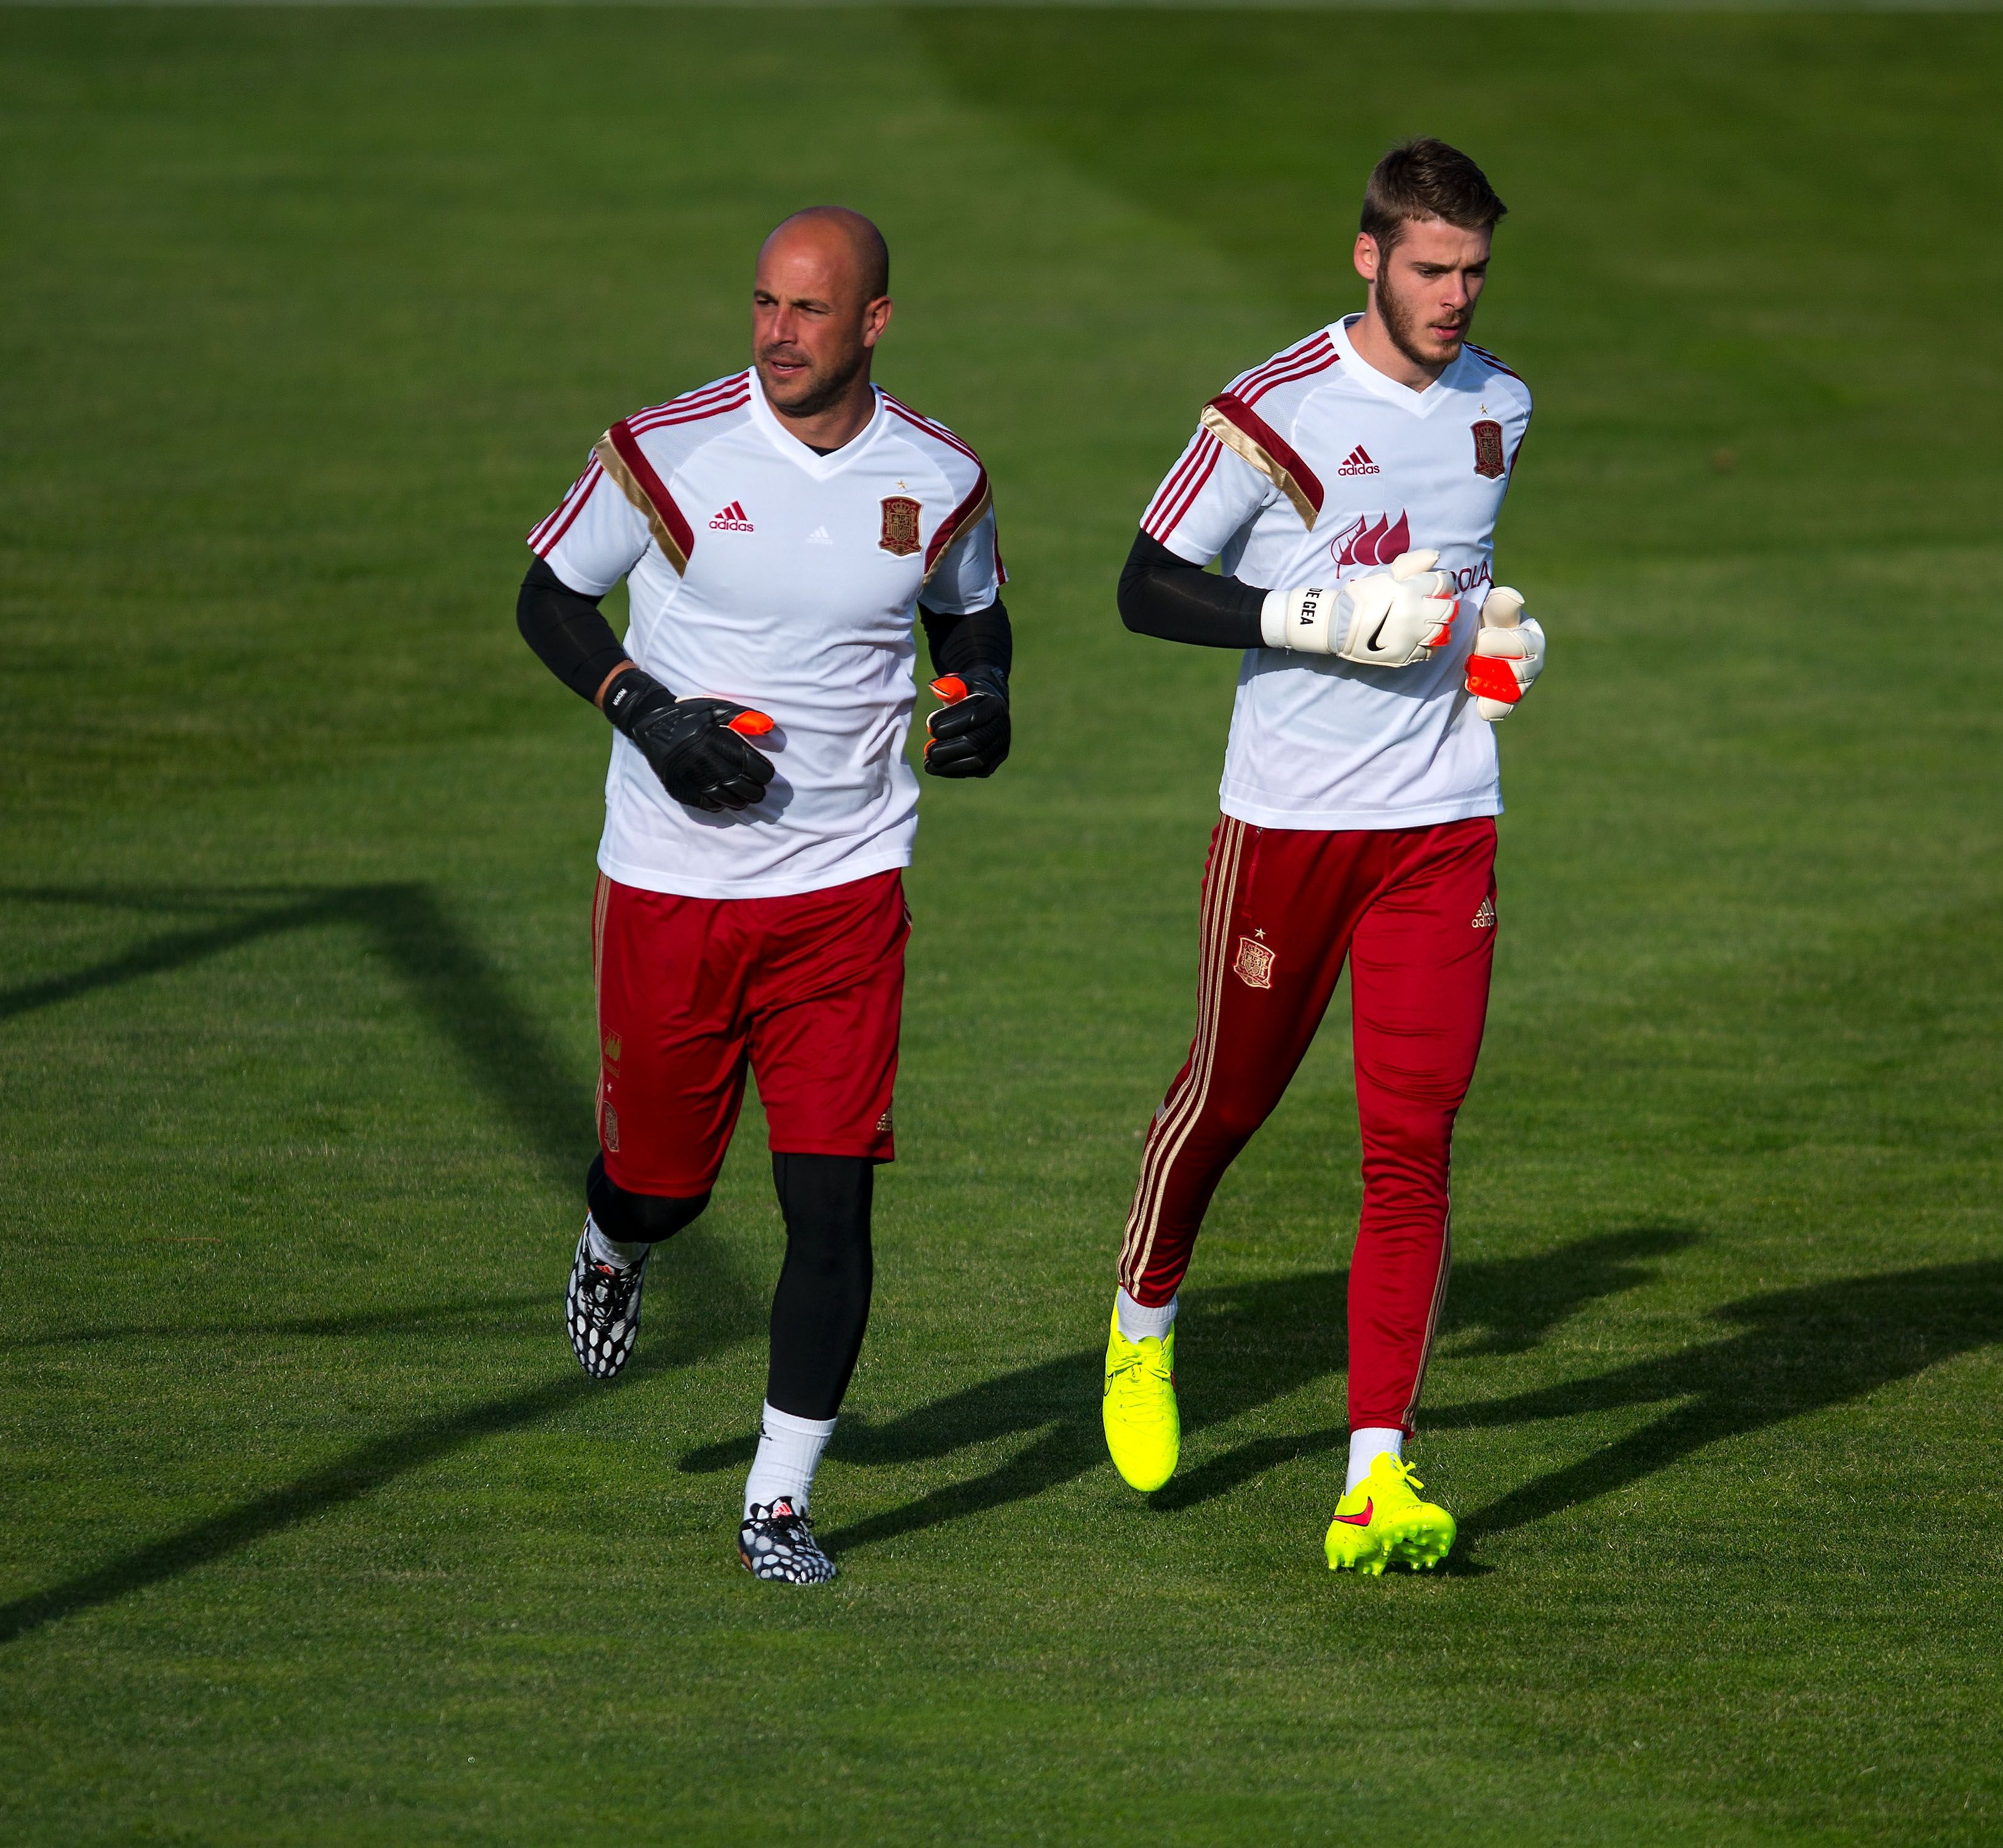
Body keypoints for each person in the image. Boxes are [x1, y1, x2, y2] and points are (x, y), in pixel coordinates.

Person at [516, 207, 1013, 1584]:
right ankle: (619, 1238)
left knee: (832, 1206)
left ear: (873, 323)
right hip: (675, 889)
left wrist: (983, 700)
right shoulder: (666, 451)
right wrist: (647, 713)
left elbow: (967, 612)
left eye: (807, 311)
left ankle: (778, 1499)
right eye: (763, 306)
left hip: (847, 892)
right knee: (668, 1185)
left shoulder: (940, 473)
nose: (777, 334)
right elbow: (550, 597)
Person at [1100, 139, 1548, 1575]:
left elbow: (1458, 582)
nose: (1456, 298)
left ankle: (1376, 1471)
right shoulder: (1273, 410)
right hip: (1289, 823)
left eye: (1475, 271)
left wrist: (1498, 650)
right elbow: (1147, 585)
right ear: (1369, 257)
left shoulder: (1503, 408)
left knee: (1411, 1140)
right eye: (1431, 269)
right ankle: (1145, 1315)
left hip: (1441, 824)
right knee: (1229, 1097)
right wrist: (1313, 616)